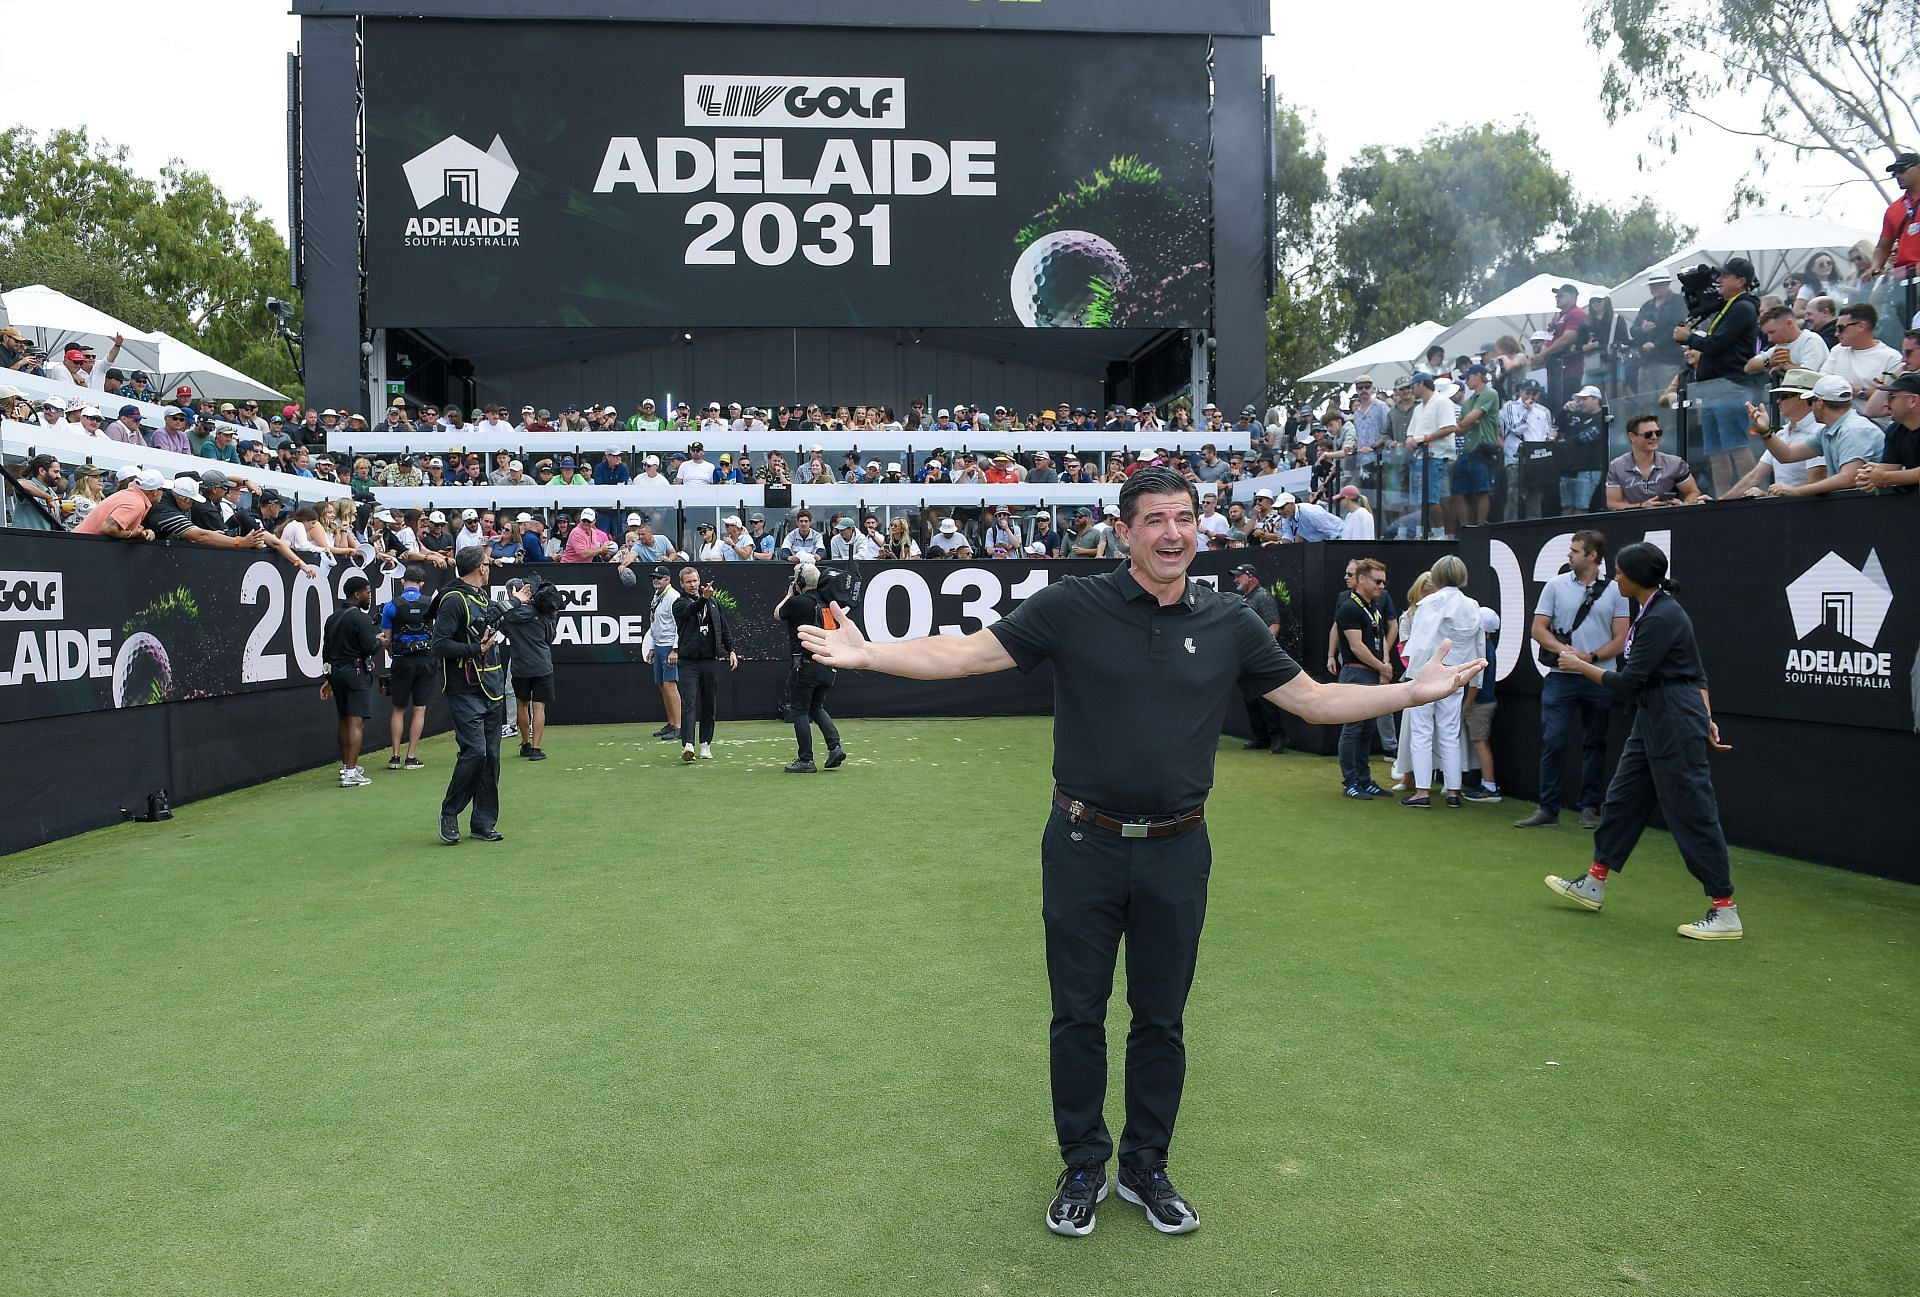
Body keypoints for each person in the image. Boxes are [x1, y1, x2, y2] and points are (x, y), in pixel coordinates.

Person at [795, 466, 1483, 1238]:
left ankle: (1144, 1166)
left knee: (1161, 1019)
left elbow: (1316, 699)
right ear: (1124, 531)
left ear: (1201, 527)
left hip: (1178, 850)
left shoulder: (1230, 621)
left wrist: (1412, 693)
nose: (1171, 533)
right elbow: (967, 654)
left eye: (1184, 517)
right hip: (1082, 843)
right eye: (1154, 519)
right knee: (1077, 1016)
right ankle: (1084, 1162)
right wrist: (868, 656)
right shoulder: (1071, 604)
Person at [1544, 542, 1742, 940]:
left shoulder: (1662, 617)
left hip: (1671, 716)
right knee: (1622, 799)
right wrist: (1706, 715)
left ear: (1635, 578)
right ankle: (1595, 882)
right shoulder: (1653, 610)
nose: (1614, 577)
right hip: (1655, 715)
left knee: (1692, 809)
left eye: (1619, 572)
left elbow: (1630, 683)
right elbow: (1694, 673)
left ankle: (1725, 910)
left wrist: (1581, 666)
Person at [1515, 531, 1629, 830]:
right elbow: (1538, 629)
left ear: (1592, 556)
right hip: (1560, 678)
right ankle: (1547, 808)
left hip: (1600, 677)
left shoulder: (1616, 591)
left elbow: (1621, 639)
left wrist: (1588, 658)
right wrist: (1564, 651)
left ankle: (1589, 807)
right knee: (1553, 740)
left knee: (1596, 742)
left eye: (1575, 551)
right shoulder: (1555, 585)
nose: (1569, 555)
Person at [432, 546, 508, 845]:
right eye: (487, 564)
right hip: (464, 690)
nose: (489, 568)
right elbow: (439, 646)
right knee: (475, 752)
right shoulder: (453, 600)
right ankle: (449, 812)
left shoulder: (482, 597)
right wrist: (476, 649)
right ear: (480, 568)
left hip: (491, 687)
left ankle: (483, 822)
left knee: (491, 759)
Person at [1397, 556, 1484, 808]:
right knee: (1450, 733)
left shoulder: (1429, 604)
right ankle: (1453, 791)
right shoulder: (1472, 605)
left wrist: (1413, 677)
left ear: (1437, 575)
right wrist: (1475, 679)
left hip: (1427, 675)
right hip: (1456, 676)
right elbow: (1479, 646)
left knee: (1422, 733)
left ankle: (1423, 791)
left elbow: (1420, 643)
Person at [1747, 375, 1885, 498]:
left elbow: (1848, 478)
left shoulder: (1854, 430)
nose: (1810, 406)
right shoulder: (1828, 430)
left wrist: (1797, 491)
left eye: (1811, 401)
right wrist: (1765, 431)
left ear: (1819, 403)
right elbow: (1787, 455)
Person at [774, 565, 847, 774]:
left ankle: (806, 759)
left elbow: (778, 614)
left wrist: (789, 594)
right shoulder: (825, 602)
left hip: (806, 664)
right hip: (828, 663)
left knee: (799, 710)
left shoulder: (798, 602)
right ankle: (835, 746)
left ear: (800, 582)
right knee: (817, 707)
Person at [1333, 557, 1394, 800]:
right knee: (1353, 728)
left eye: (1383, 582)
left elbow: (1382, 640)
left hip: (1370, 672)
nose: (1381, 586)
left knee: (1367, 729)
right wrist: (1382, 666)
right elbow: (1356, 647)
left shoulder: (1373, 608)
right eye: (1377, 581)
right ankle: (1351, 781)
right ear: (1361, 580)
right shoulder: (1349, 607)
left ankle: (1364, 779)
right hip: (1356, 672)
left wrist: (1384, 667)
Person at [669, 566, 738, 762]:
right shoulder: (679, 603)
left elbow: (723, 627)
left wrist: (731, 649)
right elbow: (692, 610)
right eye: (688, 582)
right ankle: (688, 745)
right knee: (689, 702)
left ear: (700, 580)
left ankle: (705, 744)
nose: (693, 585)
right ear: (682, 584)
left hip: (710, 661)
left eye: (695, 580)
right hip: (688, 662)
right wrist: (704, 598)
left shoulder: (713, 603)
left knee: (709, 703)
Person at [320, 574, 381, 788]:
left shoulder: (332, 618)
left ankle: (346, 767)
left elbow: (325, 651)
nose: (369, 596)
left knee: (344, 720)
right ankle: (351, 773)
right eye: (367, 592)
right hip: (355, 673)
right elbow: (371, 647)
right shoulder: (360, 618)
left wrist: (328, 678)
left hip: (337, 673)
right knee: (356, 722)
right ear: (357, 594)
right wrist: (379, 640)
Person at [378, 567, 435, 771]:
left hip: (401, 661)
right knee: (419, 708)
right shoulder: (430, 603)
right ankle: (411, 757)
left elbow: (386, 638)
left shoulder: (391, 605)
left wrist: (394, 653)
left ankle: (395, 757)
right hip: (425, 661)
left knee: (398, 709)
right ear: (421, 583)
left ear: (403, 581)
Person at [1229, 564, 1288, 756]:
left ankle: (1278, 739)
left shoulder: (1262, 596)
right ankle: (1261, 738)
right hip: (1244, 657)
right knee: (1251, 699)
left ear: (1250, 577)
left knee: (1267, 700)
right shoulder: (1244, 598)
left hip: (1259, 658)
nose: (1235, 579)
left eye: (1239, 576)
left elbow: (1274, 624)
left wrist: (1264, 651)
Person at [503, 576, 558, 761]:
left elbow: (503, 631)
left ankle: (526, 744)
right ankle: (536, 748)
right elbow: (550, 638)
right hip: (541, 664)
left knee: (522, 704)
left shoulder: (508, 615)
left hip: (520, 666)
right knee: (539, 706)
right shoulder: (542, 612)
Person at [1605, 414, 1710, 508]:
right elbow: (1613, 503)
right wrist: (1641, 506)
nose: (1654, 437)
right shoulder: (1616, 467)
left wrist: (1683, 506)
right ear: (1632, 436)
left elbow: (1693, 492)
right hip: (1634, 521)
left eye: (1658, 433)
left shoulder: (1675, 464)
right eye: (1648, 434)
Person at [640, 566, 685, 741]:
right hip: (659, 644)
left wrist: (675, 649)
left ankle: (679, 727)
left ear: (668, 579)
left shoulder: (673, 597)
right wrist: (651, 646)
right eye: (654, 578)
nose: (656, 580)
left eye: (659, 578)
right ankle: (671, 723)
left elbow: (678, 625)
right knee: (661, 684)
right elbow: (654, 623)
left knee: (670, 685)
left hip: (668, 646)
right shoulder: (657, 596)